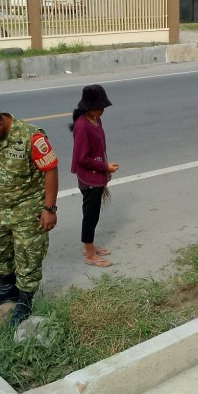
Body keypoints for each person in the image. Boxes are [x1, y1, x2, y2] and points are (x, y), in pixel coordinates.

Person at [0, 101, 59, 326]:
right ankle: (8, 289)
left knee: (28, 256)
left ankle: (25, 300)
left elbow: (50, 170)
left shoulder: (30, 137)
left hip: (29, 209)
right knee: (0, 250)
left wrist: (49, 209)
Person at [70, 85, 119, 267]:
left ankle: (90, 246)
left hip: (97, 175)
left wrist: (105, 170)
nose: (103, 110)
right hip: (88, 179)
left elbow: (100, 148)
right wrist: (104, 166)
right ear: (89, 107)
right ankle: (90, 255)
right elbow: (81, 158)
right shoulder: (82, 126)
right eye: (100, 107)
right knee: (90, 216)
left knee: (94, 214)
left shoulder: (96, 120)